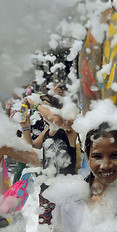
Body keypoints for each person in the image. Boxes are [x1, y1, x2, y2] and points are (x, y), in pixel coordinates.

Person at [21, 93, 78, 227]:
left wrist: (36, 105)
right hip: (46, 187)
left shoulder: (69, 127)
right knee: (45, 226)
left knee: (63, 227)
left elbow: (56, 120)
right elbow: (31, 145)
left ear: (56, 109)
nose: (41, 111)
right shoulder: (46, 131)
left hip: (65, 189)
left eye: (45, 107)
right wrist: (25, 127)